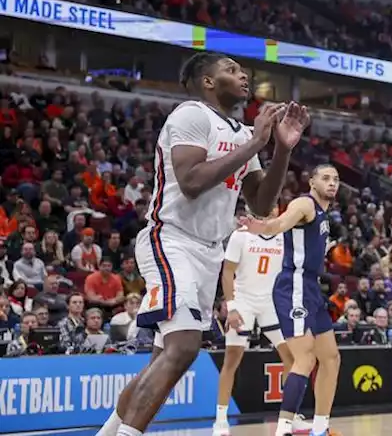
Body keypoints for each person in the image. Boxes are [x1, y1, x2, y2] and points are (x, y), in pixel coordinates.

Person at [94, 52, 306, 436]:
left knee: (164, 360)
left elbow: (261, 204)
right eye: (231, 70)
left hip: (210, 250)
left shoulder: (242, 133)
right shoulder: (191, 115)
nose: (243, 76)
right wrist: (256, 141)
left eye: (243, 71)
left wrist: (281, 150)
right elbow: (190, 181)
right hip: (171, 239)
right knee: (185, 348)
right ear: (207, 81)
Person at [240, 165, 343, 436]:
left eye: (335, 179)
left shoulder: (323, 213)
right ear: (312, 182)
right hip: (293, 286)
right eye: (325, 178)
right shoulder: (304, 204)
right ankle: (284, 427)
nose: (332, 183)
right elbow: (281, 223)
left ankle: (320, 428)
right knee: (305, 358)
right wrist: (261, 227)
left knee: (331, 357)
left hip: (311, 288)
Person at [213, 208, 300, 436]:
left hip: (272, 303)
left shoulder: (284, 235)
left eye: (274, 204)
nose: (272, 209)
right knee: (231, 361)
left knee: (293, 358)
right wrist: (231, 307)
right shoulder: (241, 235)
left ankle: (288, 418)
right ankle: (220, 420)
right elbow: (227, 272)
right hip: (244, 301)